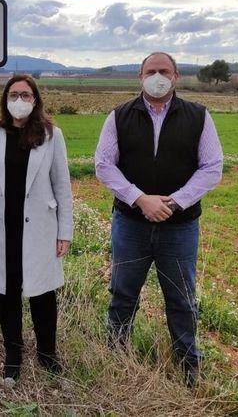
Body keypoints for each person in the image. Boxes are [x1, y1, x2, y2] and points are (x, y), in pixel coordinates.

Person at [94, 51, 223, 388]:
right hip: (131, 224)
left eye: (164, 71)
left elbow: (212, 167)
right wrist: (140, 199)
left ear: (176, 77)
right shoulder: (119, 116)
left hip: (179, 228)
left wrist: (175, 202)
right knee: (123, 295)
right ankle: (117, 361)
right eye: (150, 71)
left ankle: (188, 371)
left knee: (181, 299)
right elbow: (104, 165)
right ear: (140, 77)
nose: (157, 76)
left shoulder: (198, 116)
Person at [0, 74, 73, 387]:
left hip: (39, 227)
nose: (20, 100)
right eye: (14, 94)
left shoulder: (52, 136)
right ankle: (13, 356)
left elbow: (62, 186)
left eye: (26, 94)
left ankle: (48, 355)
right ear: (5, 99)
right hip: (0, 226)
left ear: (35, 100)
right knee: (6, 292)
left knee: (42, 293)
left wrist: (64, 231)